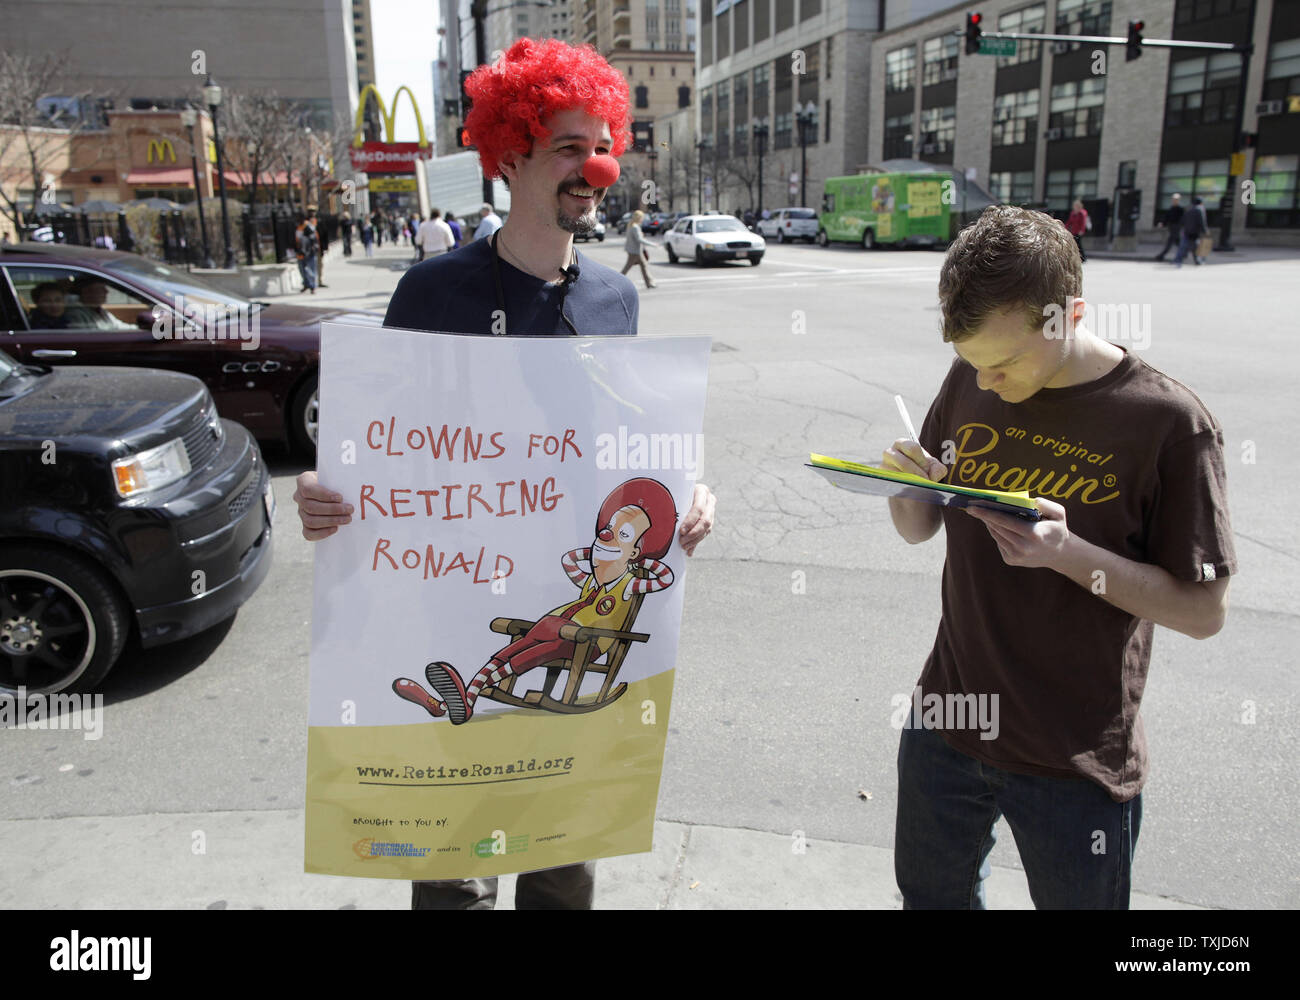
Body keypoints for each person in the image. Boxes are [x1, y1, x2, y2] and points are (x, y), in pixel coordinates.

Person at [290, 36, 717, 911]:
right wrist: (328, 495)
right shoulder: (430, 295)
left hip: (573, 597)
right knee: (453, 878)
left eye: (602, 147)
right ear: (510, 153)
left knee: (563, 866)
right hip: (449, 601)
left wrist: (687, 490)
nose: (594, 170)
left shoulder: (615, 299)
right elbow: (384, 449)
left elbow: (625, 442)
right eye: (569, 148)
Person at [881, 205, 1234, 909]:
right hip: (947, 722)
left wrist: (1070, 554)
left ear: (1068, 316)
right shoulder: (971, 376)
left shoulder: (1169, 424)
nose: (986, 385)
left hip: (1075, 758)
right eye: (973, 363)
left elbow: (1204, 613)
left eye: (1005, 364)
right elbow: (918, 528)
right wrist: (902, 485)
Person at [69, 278, 133, 329]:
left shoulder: (99, 310)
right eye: (101, 288)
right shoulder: (76, 315)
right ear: (87, 292)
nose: (106, 291)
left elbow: (117, 326)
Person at [620, 209, 656, 289]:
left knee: (643, 265)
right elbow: (639, 239)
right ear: (639, 218)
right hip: (635, 251)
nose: (642, 219)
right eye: (642, 217)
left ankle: (649, 283)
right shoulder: (635, 227)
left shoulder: (631, 225)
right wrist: (652, 244)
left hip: (634, 250)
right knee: (628, 267)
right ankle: (618, 281)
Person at [1174, 196, 1209, 268]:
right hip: (1195, 233)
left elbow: (1182, 220)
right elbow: (1201, 222)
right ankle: (1197, 261)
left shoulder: (1188, 209)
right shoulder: (1199, 210)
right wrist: (1205, 231)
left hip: (1187, 232)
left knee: (1183, 247)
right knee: (1196, 248)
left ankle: (1178, 260)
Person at [1153, 192, 1183, 261]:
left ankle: (1161, 256)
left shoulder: (1180, 209)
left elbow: (1182, 219)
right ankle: (1182, 254)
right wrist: (1162, 223)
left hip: (1176, 228)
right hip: (1171, 227)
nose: (1174, 200)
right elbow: (1167, 217)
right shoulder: (1171, 208)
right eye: (1173, 199)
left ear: (1178, 200)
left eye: (1176, 199)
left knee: (1170, 242)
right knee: (1177, 243)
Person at [297, 209, 320, 294]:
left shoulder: (308, 226)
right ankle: (306, 284)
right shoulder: (297, 227)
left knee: (310, 270)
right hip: (300, 253)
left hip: (309, 252)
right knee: (302, 270)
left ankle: (312, 286)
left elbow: (313, 238)